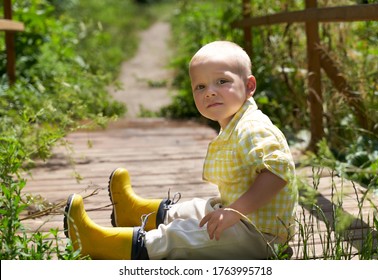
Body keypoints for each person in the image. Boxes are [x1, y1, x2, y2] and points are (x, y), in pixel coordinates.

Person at [64, 40, 298, 260]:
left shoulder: (253, 128)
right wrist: (230, 210)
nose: (210, 92)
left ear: (249, 86)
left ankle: (101, 244)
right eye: (200, 86)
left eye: (222, 82)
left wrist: (234, 212)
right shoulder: (236, 121)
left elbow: (277, 174)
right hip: (245, 218)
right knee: (199, 208)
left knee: (179, 236)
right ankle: (132, 212)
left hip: (261, 236)